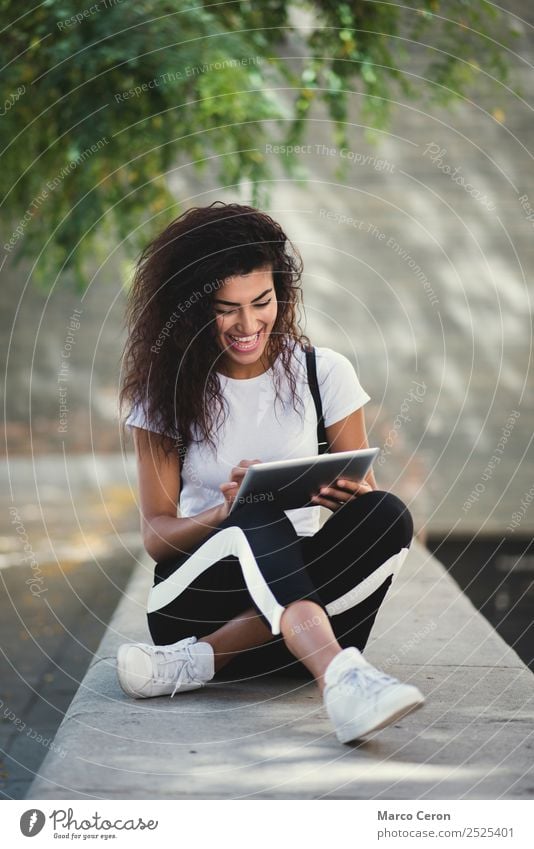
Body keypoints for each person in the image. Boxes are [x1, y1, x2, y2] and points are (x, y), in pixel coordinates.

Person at [117, 201, 424, 744]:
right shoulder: (164, 393)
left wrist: (342, 497)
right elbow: (158, 536)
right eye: (225, 308)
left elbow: (364, 498)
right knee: (255, 510)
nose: (248, 324)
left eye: (262, 302)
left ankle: (204, 661)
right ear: (190, 312)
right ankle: (341, 677)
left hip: (289, 632)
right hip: (194, 606)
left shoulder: (321, 372)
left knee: (387, 512)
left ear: (281, 293)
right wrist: (224, 512)